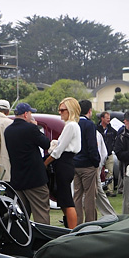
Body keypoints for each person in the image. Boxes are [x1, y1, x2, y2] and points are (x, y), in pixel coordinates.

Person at [3, 102, 51, 223]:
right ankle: (43, 240)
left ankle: (23, 239)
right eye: (30, 113)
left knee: (22, 215)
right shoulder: (31, 128)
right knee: (41, 212)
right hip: (35, 178)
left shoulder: (8, 131)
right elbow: (46, 143)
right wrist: (35, 127)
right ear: (25, 114)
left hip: (17, 178)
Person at [48, 97, 80, 228]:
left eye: (62, 110)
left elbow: (58, 150)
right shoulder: (70, 125)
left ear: (70, 110)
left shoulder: (71, 126)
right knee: (63, 199)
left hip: (64, 162)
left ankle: (72, 230)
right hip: (65, 162)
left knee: (66, 200)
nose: (60, 112)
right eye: (59, 110)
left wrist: (45, 162)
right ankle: (70, 228)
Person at [71, 99, 101, 224]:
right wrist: (96, 162)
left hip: (75, 163)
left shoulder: (73, 123)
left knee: (77, 195)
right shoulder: (89, 125)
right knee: (89, 196)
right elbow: (92, 146)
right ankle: (90, 221)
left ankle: (77, 222)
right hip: (87, 164)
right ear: (90, 110)